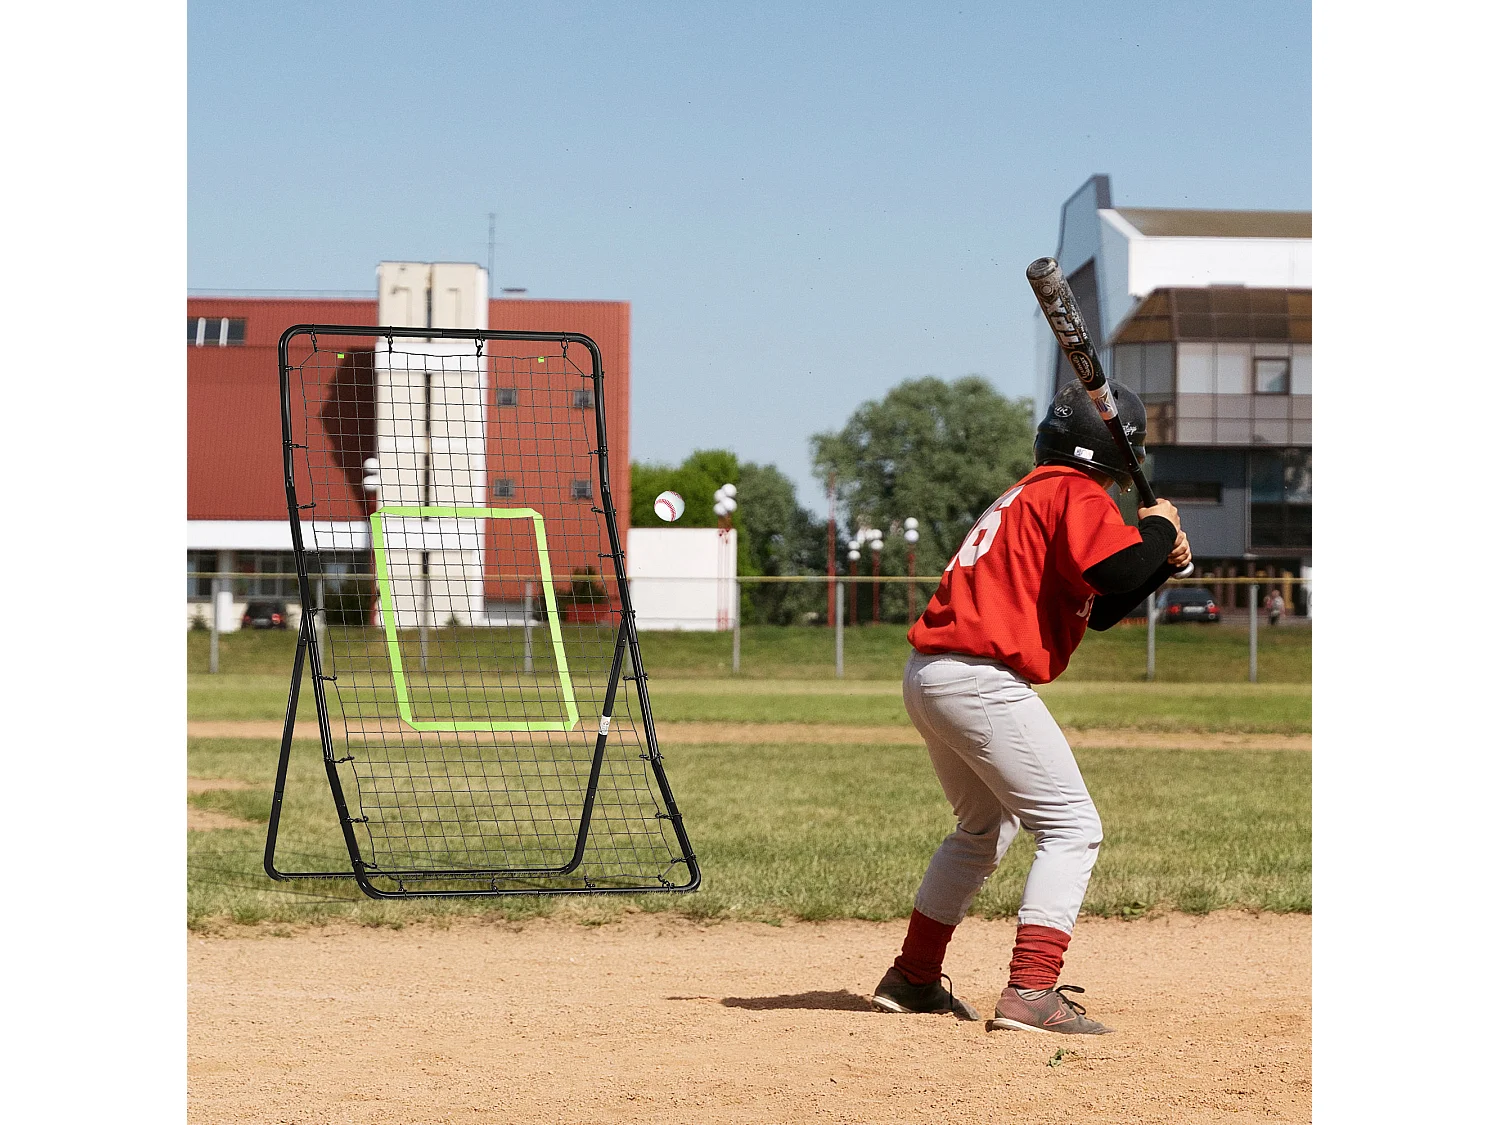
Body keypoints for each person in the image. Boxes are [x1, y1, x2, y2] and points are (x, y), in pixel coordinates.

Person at [870, 380, 1191, 1035]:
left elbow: (1103, 606)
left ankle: (914, 976)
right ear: (1123, 454)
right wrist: (1157, 531)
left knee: (983, 831)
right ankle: (1031, 990)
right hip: (980, 677)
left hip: (932, 673)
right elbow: (1119, 574)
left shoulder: (1035, 488)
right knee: (1073, 827)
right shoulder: (1076, 491)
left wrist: (1157, 560)